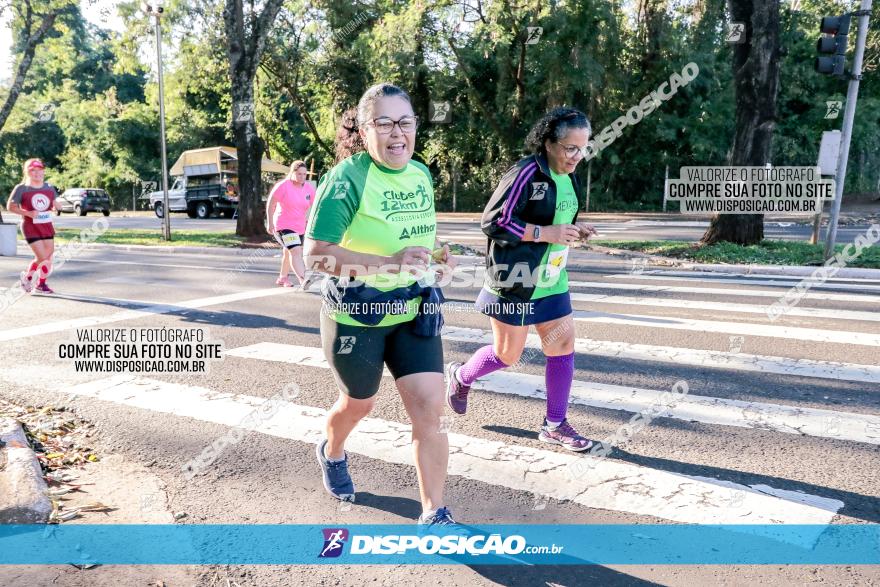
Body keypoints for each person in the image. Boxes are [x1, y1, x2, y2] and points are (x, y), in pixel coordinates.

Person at [304, 82, 458, 527]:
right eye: (385, 123)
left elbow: (421, 240)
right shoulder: (347, 178)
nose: (397, 133)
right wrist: (387, 263)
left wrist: (439, 257)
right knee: (359, 404)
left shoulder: (421, 174)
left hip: (413, 310)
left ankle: (434, 511)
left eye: (405, 122)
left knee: (430, 408)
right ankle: (332, 451)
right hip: (358, 317)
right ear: (363, 129)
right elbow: (316, 255)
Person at [445, 107, 598, 451]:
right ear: (548, 143)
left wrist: (575, 231)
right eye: (570, 148)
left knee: (562, 346)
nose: (577, 156)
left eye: (583, 148)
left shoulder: (568, 176)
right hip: (515, 276)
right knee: (506, 354)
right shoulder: (525, 172)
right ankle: (461, 375)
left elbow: (558, 219)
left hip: (552, 278)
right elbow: (494, 222)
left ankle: (555, 424)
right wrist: (545, 232)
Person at [6, 158, 59, 294]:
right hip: (30, 227)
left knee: (48, 258)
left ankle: (41, 285)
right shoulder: (22, 188)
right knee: (42, 258)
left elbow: (52, 204)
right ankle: (28, 278)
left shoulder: (49, 187)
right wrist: (28, 213)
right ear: (28, 172)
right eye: (33, 170)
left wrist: (55, 206)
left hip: (47, 226)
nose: (37, 173)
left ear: (43, 171)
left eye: (40, 170)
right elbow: (10, 207)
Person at [266, 160, 315, 287]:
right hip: (283, 225)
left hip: (299, 226)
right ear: (292, 173)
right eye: (299, 174)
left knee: (289, 251)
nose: (302, 177)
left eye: (304, 174)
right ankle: (303, 279)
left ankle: (282, 278)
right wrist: (270, 222)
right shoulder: (283, 186)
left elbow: (315, 206)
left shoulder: (308, 188)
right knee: (296, 251)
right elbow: (271, 203)